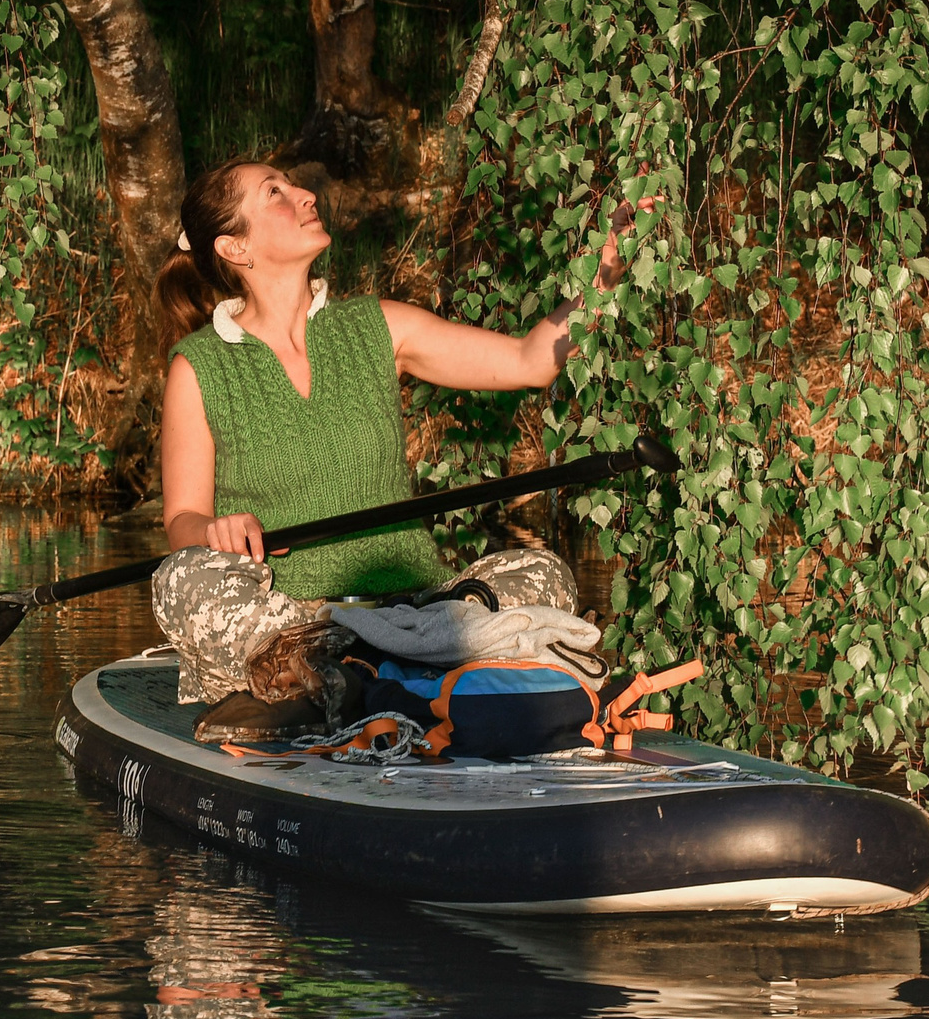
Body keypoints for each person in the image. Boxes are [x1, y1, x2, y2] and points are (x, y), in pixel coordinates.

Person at [151, 159, 637, 709]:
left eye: (294, 185)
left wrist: (606, 277)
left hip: (413, 609)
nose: (306, 195)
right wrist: (214, 528)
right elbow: (180, 522)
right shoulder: (199, 367)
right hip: (291, 619)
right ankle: (337, 670)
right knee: (184, 578)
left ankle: (374, 675)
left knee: (542, 573)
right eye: (276, 193)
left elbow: (530, 361)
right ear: (235, 247)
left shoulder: (377, 326)